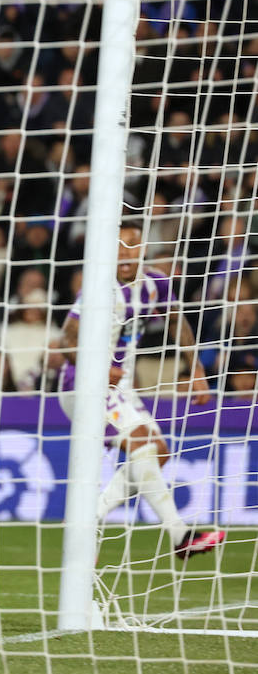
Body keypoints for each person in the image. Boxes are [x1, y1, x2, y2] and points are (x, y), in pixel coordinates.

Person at [59, 220, 224, 559]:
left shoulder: (155, 285)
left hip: (122, 389)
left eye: (132, 243)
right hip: (83, 386)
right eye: (118, 244)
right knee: (141, 446)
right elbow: (66, 341)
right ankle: (179, 535)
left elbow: (177, 321)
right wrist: (96, 366)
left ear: (143, 249)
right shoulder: (98, 288)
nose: (124, 250)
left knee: (157, 451)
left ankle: (89, 520)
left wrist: (195, 368)